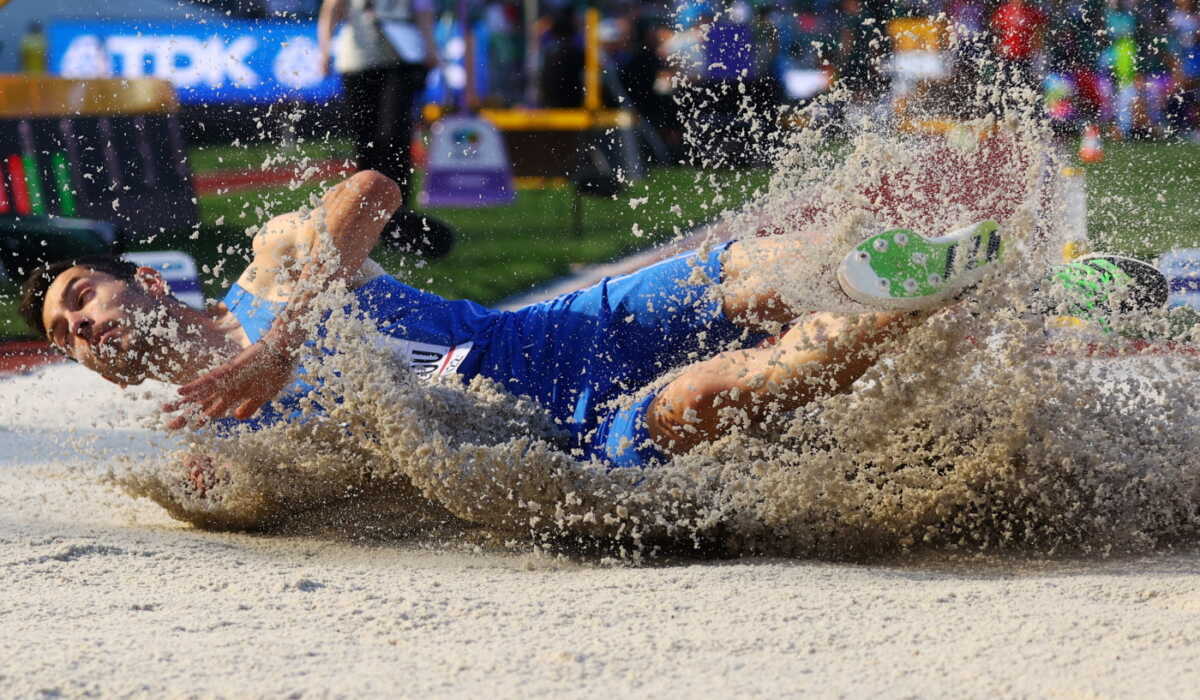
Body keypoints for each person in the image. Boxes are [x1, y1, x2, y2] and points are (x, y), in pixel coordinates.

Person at [18, 172, 1162, 471]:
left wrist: (278, 347)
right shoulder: (217, 443)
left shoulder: (272, 269)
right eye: (63, 337)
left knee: (767, 276)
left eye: (79, 296)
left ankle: (1004, 275)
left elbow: (371, 190)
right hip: (569, 429)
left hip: (556, 335)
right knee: (738, 386)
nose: (78, 328)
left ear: (149, 283)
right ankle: (948, 287)